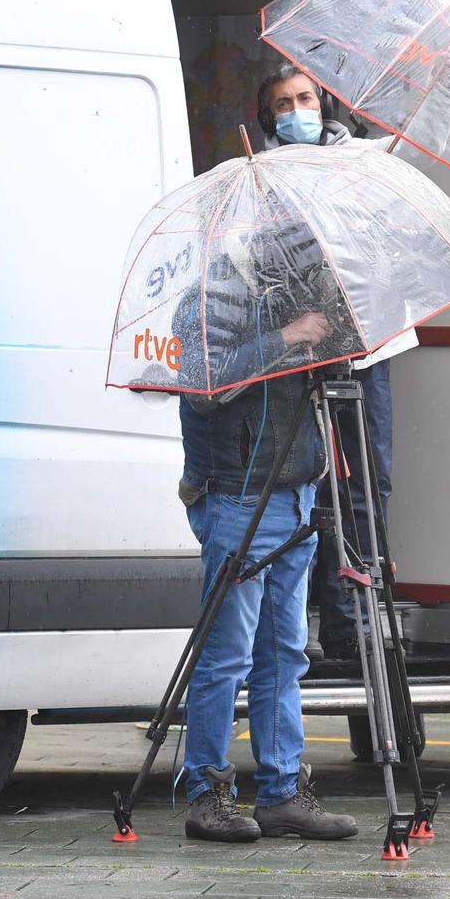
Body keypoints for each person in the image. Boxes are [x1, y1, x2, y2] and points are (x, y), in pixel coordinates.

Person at [174, 275, 359, 843]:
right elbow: (203, 386)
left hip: (298, 493)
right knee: (227, 656)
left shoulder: (298, 291)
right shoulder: (211, 297)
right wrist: (285, 337)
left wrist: (332, 345)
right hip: (237, 496)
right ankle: (208, 795)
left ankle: (281, 794)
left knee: (285, 652)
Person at [254, 63, 398, 667]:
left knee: (367, 481)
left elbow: (390, 250)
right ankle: (312, 613)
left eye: (304, 98)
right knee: (309, 486)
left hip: (366, 345)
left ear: (324, 104)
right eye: (283, 104)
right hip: (299, 352)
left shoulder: (365, 169)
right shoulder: (258, 178)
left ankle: (356, 618)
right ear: (270, 119)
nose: (295, 111)